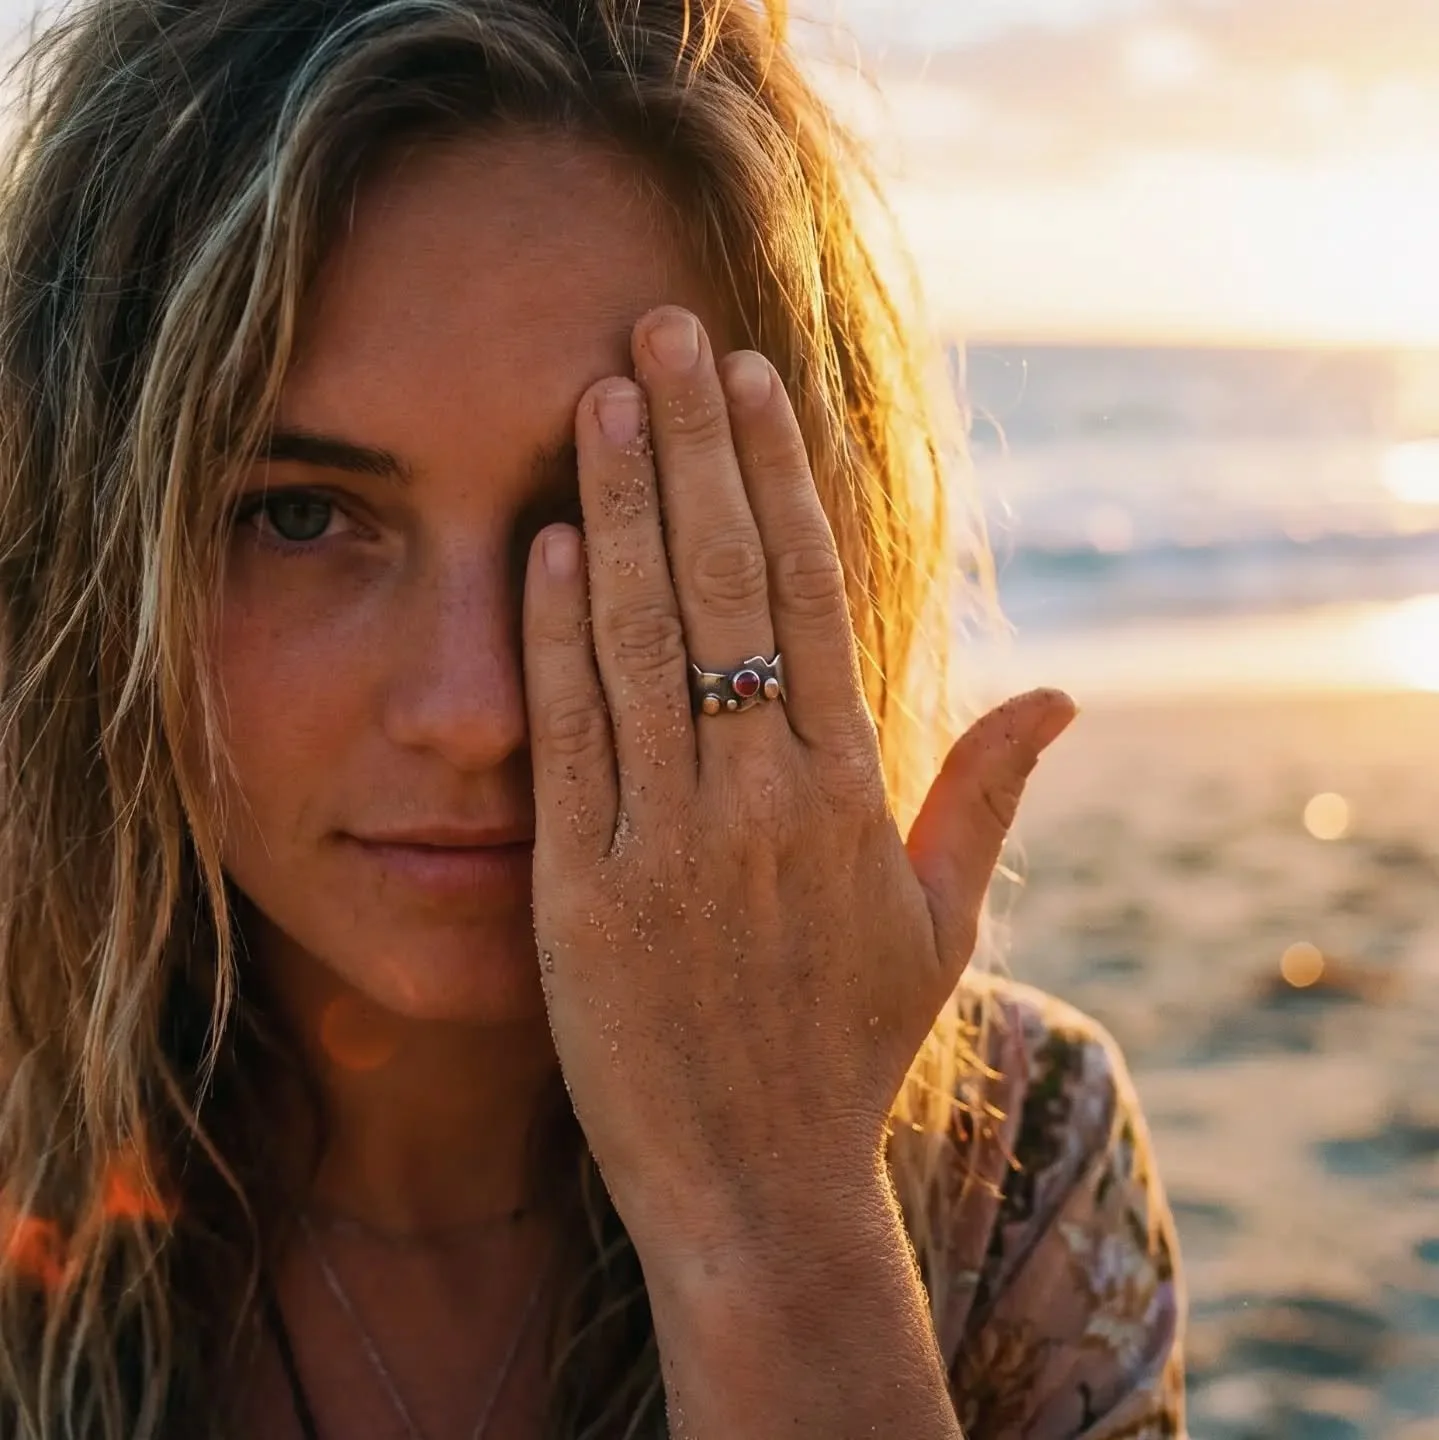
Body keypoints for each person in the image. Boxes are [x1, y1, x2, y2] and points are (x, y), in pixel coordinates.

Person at [0, 0, 1185, 1435]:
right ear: (75, 540)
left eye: (604, 515)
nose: (477, 716)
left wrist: (780, 1221)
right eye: (300, 516)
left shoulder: (1015, 1155)